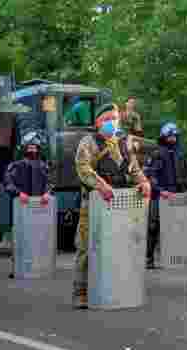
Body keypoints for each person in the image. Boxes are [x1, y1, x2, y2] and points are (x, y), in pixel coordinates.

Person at [71, 103, 151, 309]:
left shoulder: (123, 142)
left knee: (119, 243)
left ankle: (116, 286)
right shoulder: (88, 142)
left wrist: (143, 182)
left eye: (114, 118)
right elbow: (82, 168)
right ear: (98, 122)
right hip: (95, 203)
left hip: (120, 203)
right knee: (87, 245)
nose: (112, 122)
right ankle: (81, 291)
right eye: (107, 119)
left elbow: (133, 169)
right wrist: (100, 185)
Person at [144, 121, 187, 268]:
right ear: (163, 137)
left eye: (175, 136)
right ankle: (148, 258)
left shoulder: (180, 153)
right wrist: (159, 189)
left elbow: (183, 174)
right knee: (153, 225)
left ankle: (175, 256)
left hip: (176, 194)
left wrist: (186, 190)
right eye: (170, 136)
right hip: (160, 195)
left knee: (177, 226)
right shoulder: (157, 153)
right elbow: (150, 175)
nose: (173, 139)